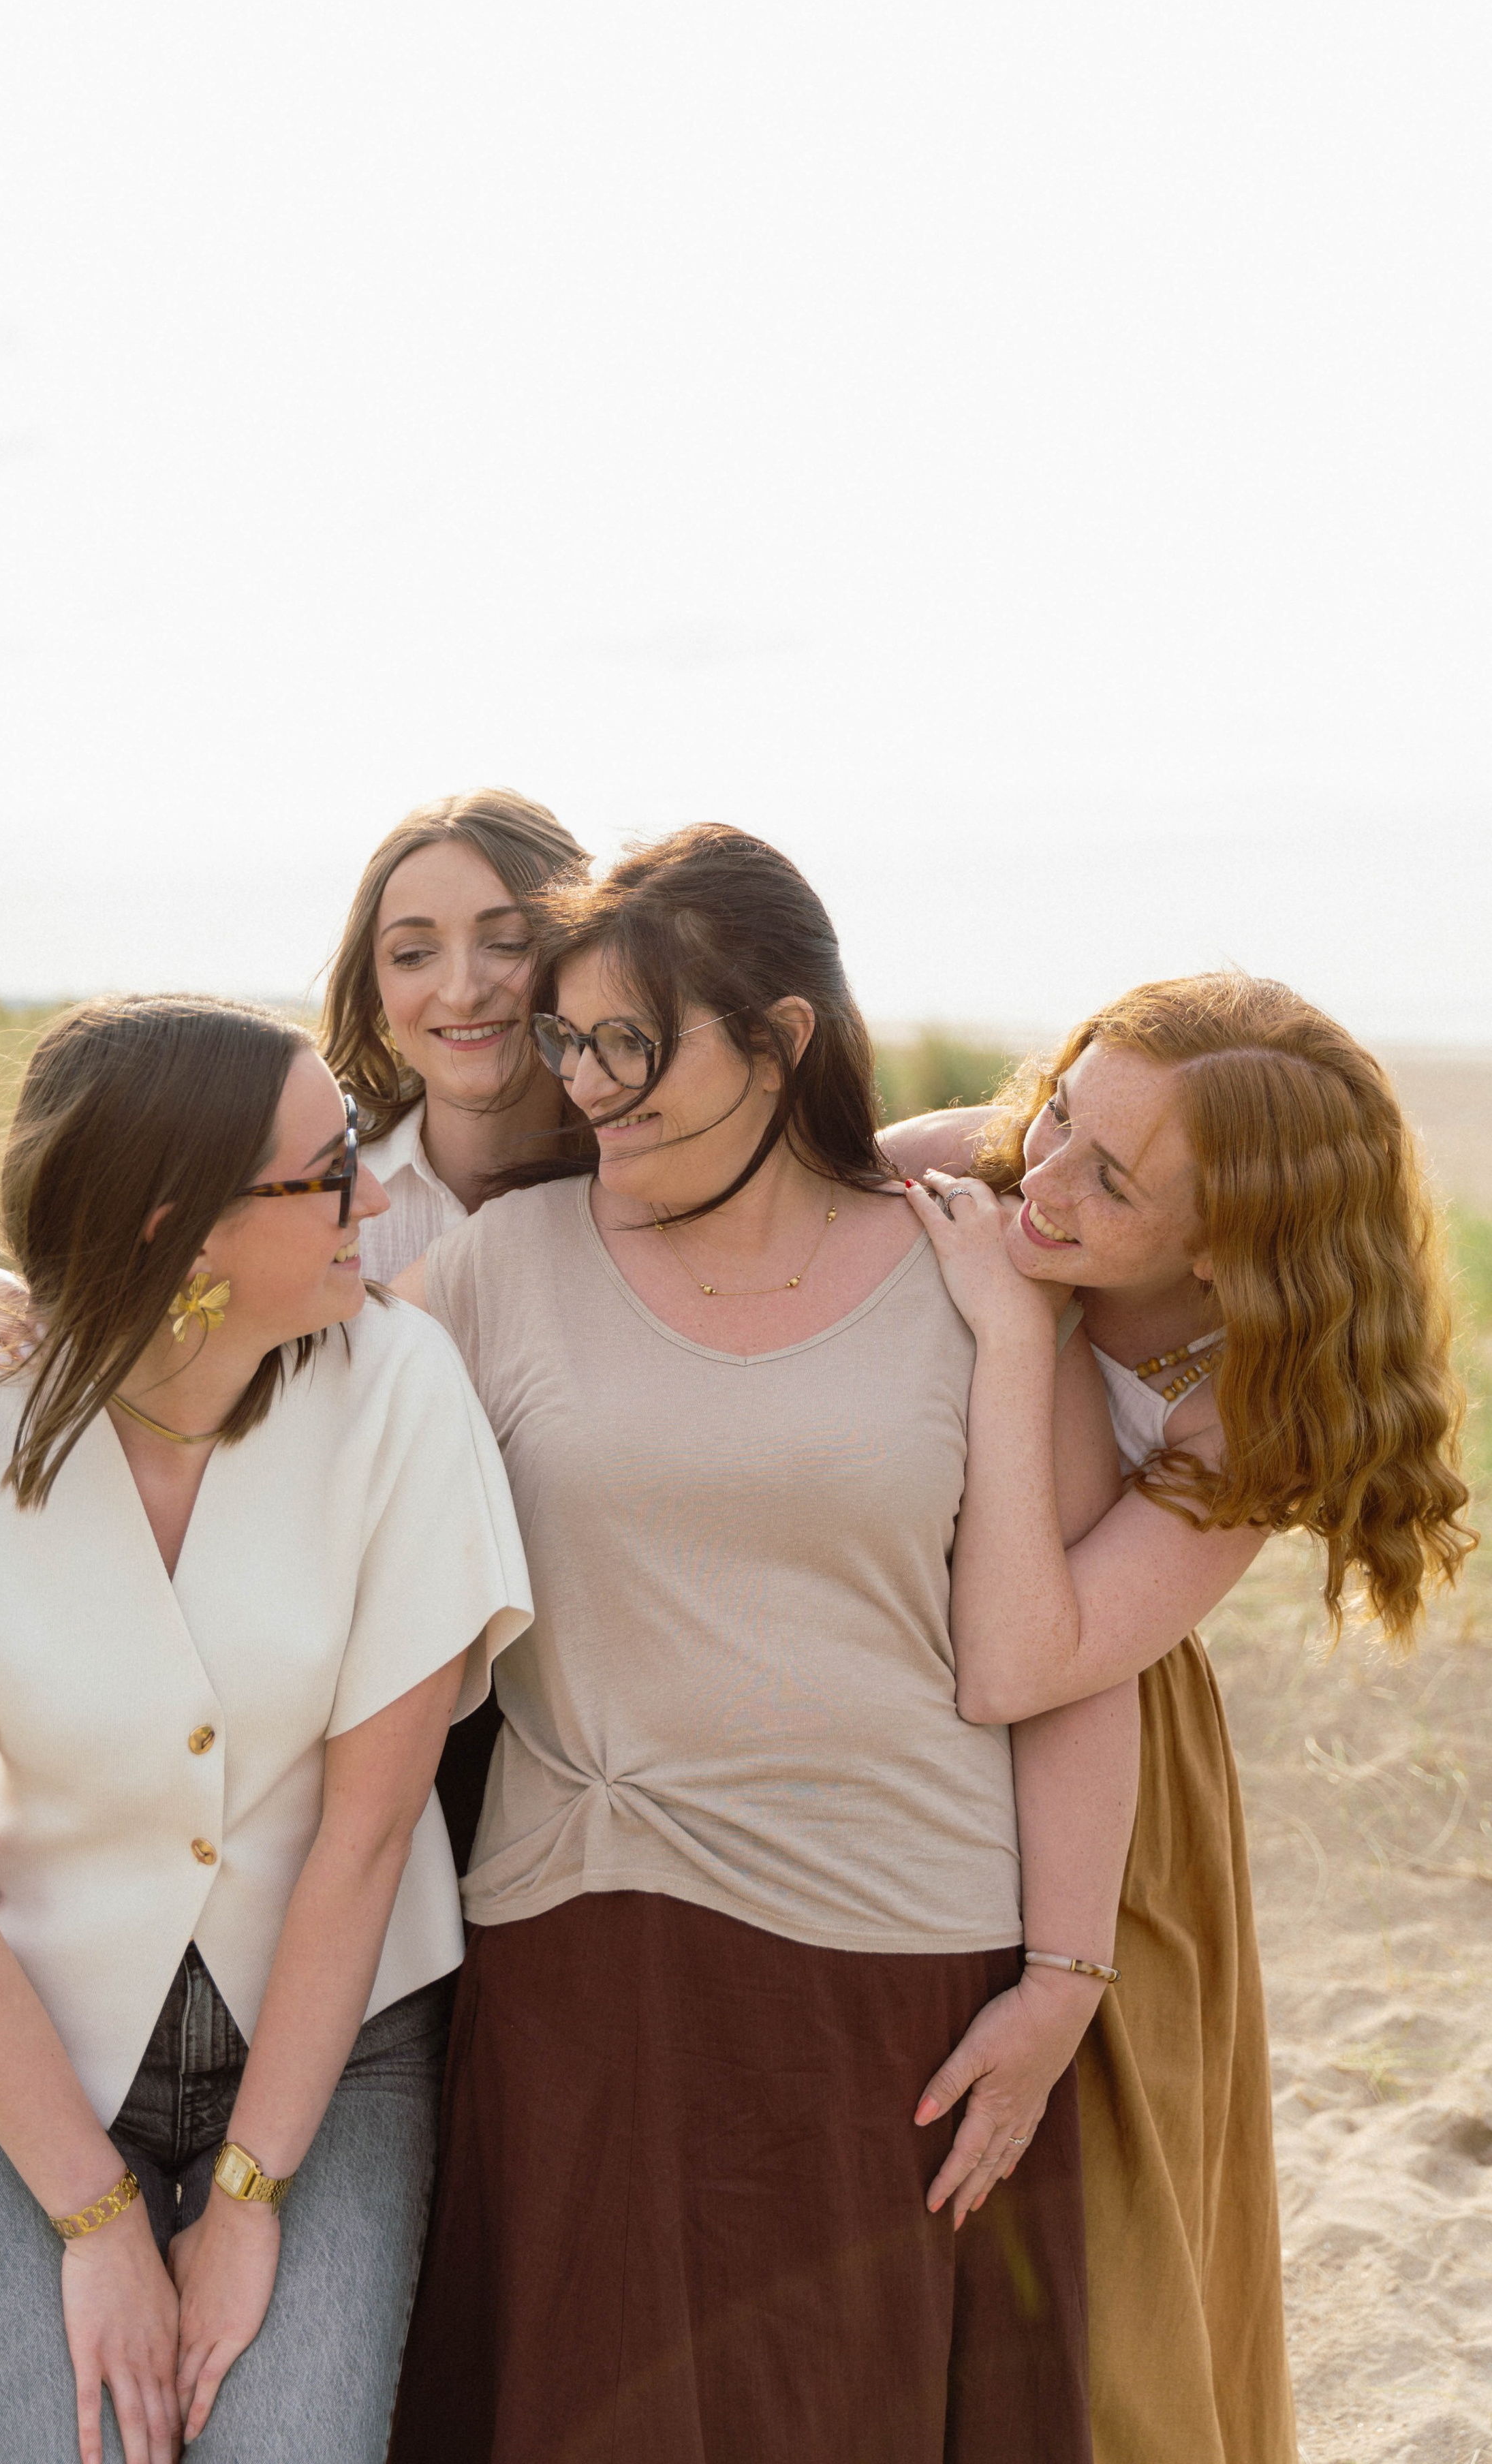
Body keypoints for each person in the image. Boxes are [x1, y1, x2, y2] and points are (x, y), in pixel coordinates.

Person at [384, 826, 1143, 2464]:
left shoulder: (970, 1279)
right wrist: (42, 1313)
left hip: (901, 1985)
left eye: (635, 1048)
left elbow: (1076, 1660)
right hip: (583, 1958)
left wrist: (1062, 1982)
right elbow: (277, 1450)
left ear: (783, 1039)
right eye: (569, 1042)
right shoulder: (495, 1271)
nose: (589, 1088)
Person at [0, 995, 531, 2464]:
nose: (375, 1194)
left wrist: (246, 2208)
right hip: (28, 2050)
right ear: (183, 1228)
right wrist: (95, 2225)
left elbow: (363, 1843)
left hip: (337, 2046)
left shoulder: (399, 1395)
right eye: (329, 1172)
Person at [884, 973, 1475, 2464]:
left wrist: (1017, 1343)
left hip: (1102, 1754)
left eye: (1113, 1180)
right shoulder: (996, 1159)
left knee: (1099, 2232)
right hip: (875, 1677)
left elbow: (1034, 1663)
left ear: (1225, 1248)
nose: (1046, 1178)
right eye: (1064, 1112)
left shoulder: (1255, 1398)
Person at [0, 787, 590, 1875]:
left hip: (588, 1714)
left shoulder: (654, 1190)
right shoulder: (301, 1197)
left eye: (508, 943)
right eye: (412, 953)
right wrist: (33, 1305)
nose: (462, 987)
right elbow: (159, 1333)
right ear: (373, 989)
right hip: (336, 1718)